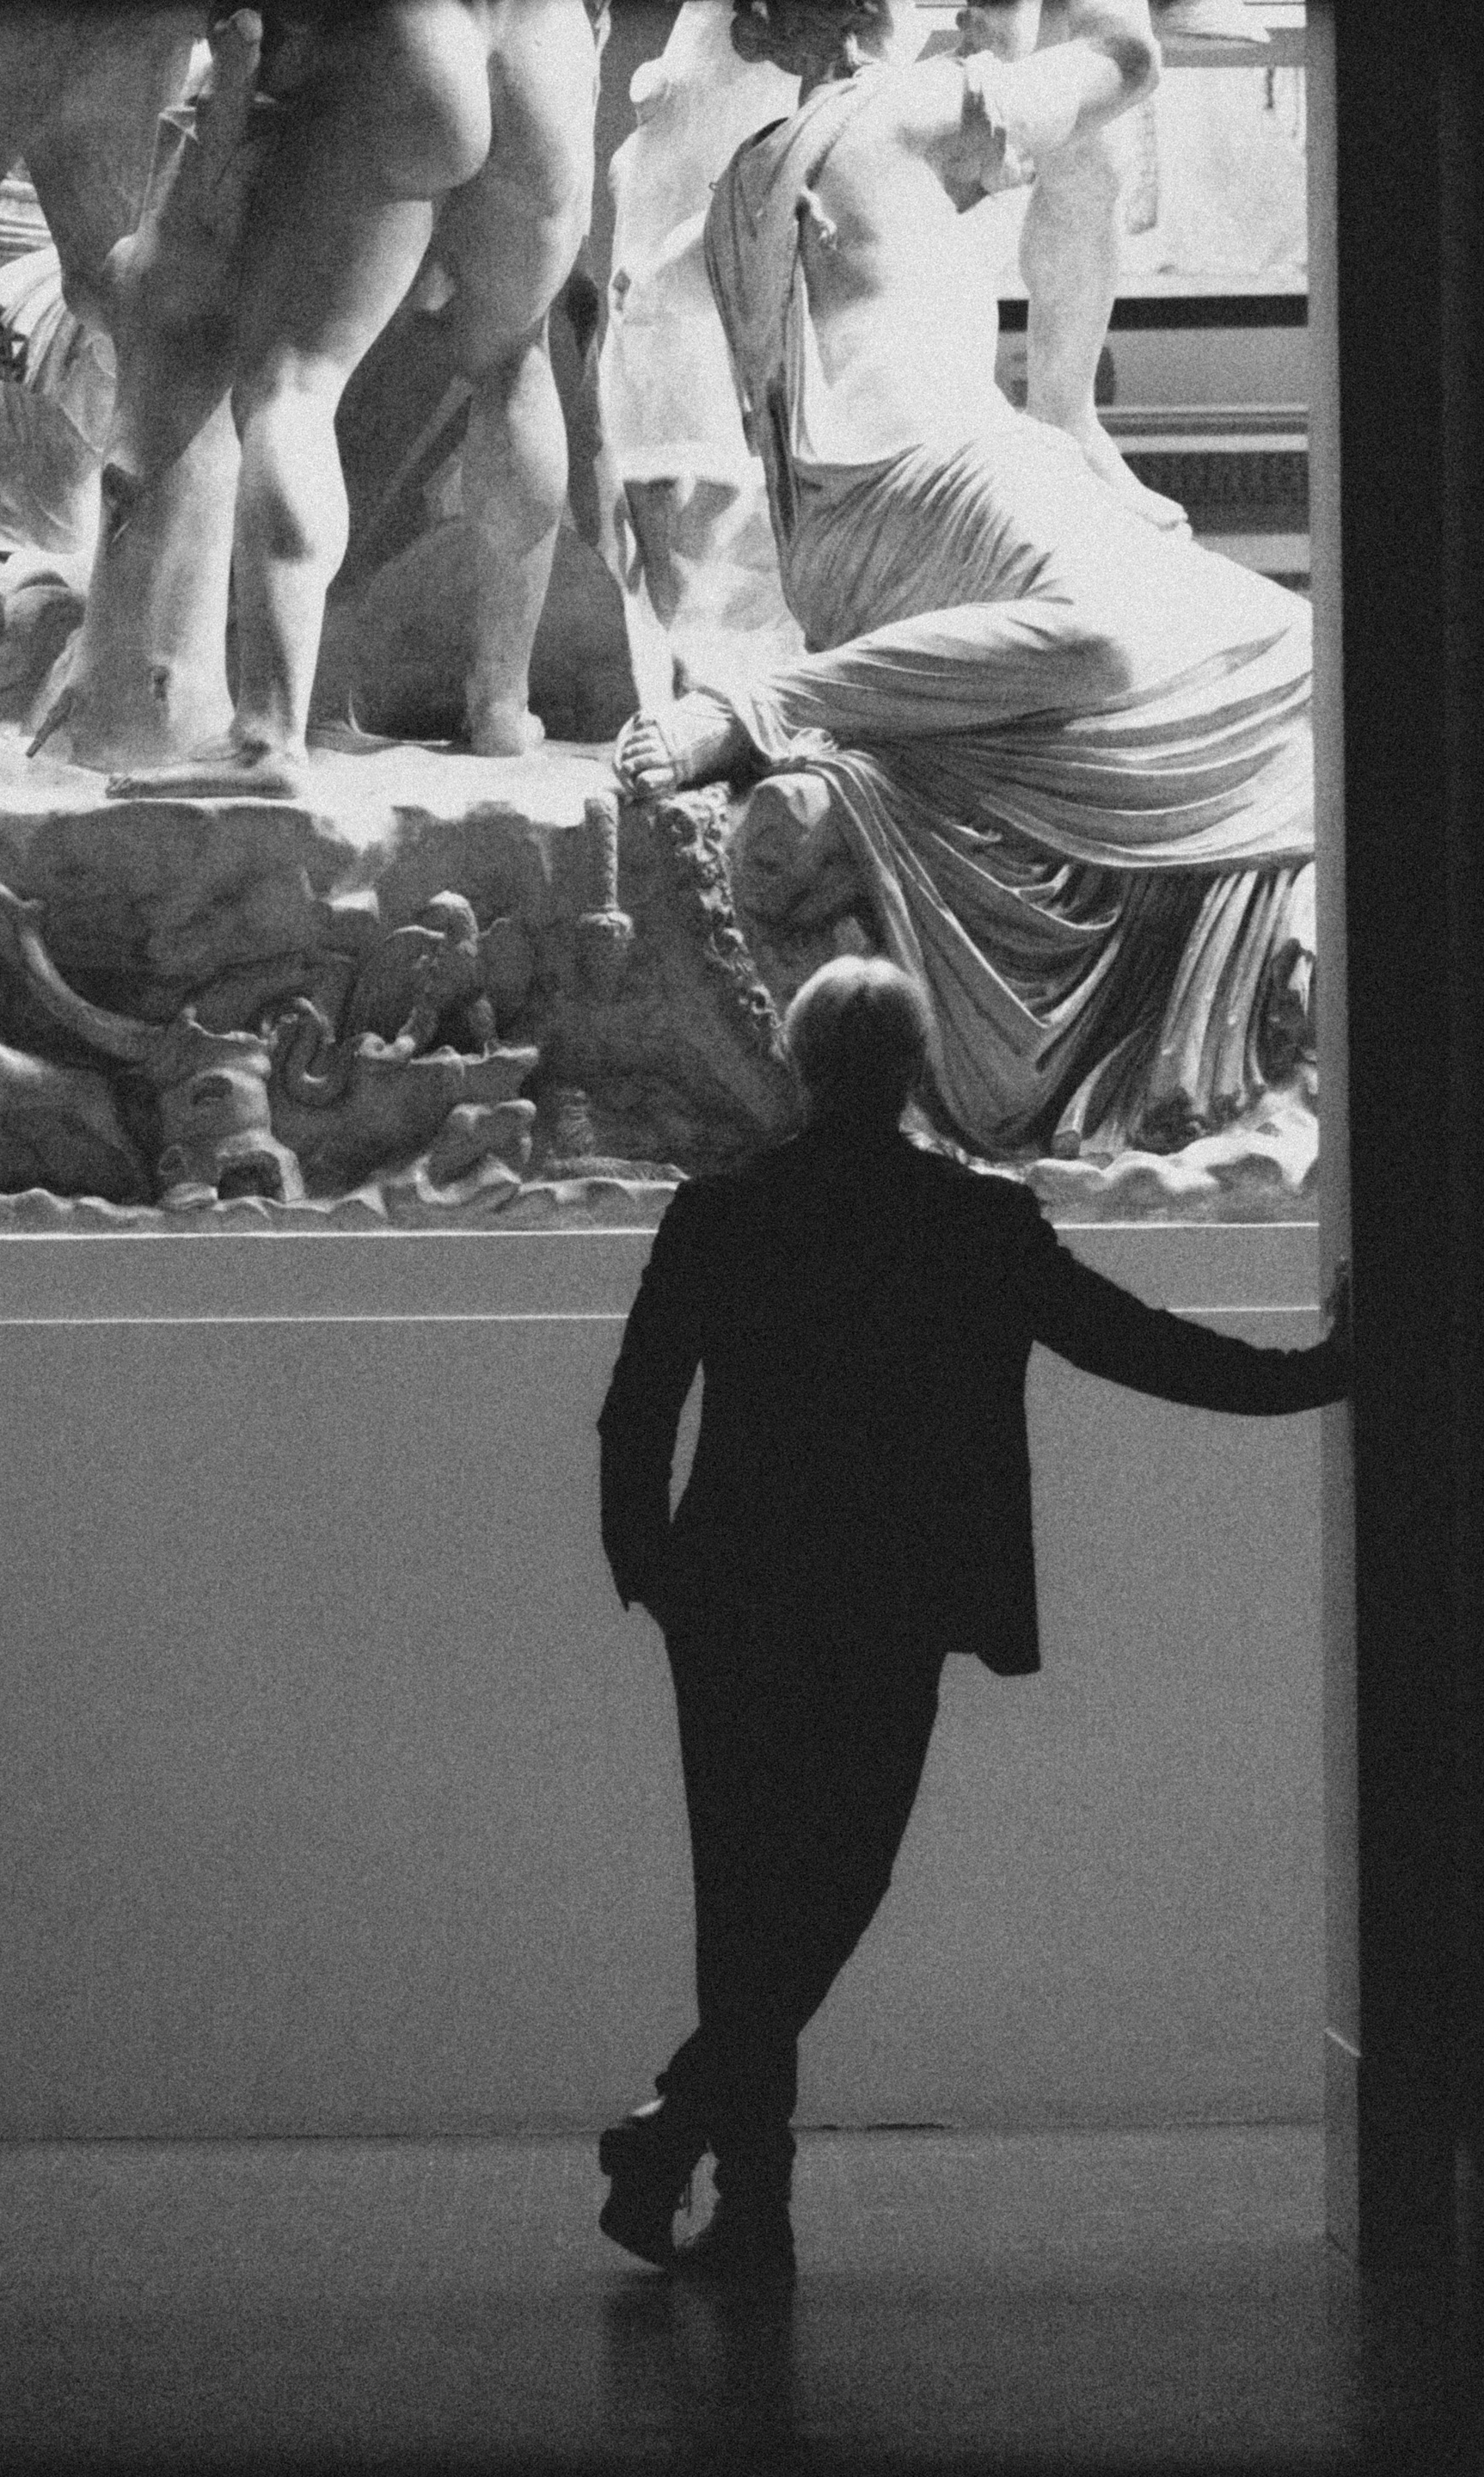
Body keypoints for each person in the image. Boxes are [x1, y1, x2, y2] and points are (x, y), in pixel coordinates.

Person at [596, 954, 1349, 2285]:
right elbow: (1138, 1346)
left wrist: (652, 1571)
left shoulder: (724, 1214)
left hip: (739, 1596)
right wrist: (1318, 1375)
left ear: (800, 1062)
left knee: (745, 1896)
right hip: (894, 1593)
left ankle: (723, 2172)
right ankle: (701, 2158)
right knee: (843, 1875)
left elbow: (640, 1406)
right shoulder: (972, 1220)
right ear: (914, 1068)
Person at [611, 0, 1315, 1162]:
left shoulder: (746, 180)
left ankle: (1189, 1024)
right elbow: (1126, 60)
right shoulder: (913, 105)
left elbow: (656, 307)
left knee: (1273, 639)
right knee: (1136, 644)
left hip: (838, 547)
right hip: (944, 483)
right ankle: (763, 706)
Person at [106, 0, 603, 801]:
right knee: (517, 356)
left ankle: (267, 735)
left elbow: (240, 31)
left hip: (403, 35)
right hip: (549, 44)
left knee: (294, 380)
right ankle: (502, 709)